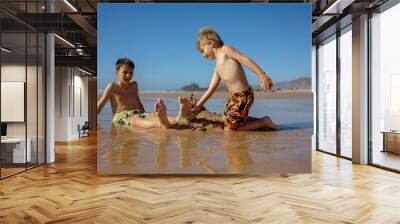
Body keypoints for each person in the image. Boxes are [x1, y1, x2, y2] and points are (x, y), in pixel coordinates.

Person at [190, 27, 279, 131]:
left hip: (243, 96)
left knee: (230, 130)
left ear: (210, 43)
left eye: (202, 50)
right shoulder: (217, 67)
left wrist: (262, 74)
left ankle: (264, 122)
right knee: (228, 120)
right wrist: (197, 106)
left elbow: (245, 60)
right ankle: (252, 121)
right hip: (233, 98)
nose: (203, 55)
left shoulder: (226, 50)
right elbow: (211, 89)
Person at [97, 57, 172, 129]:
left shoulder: (134, 85)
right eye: (125, 72)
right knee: (135, 119)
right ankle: (159, 123)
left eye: (131, 72)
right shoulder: (112, 86)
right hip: (121, 116)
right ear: (116, 72)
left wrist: (146, 115)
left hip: (137, 113)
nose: (128, 75)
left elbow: (138, 103)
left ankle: (179, 118)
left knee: (153, 115)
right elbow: (100, 105)